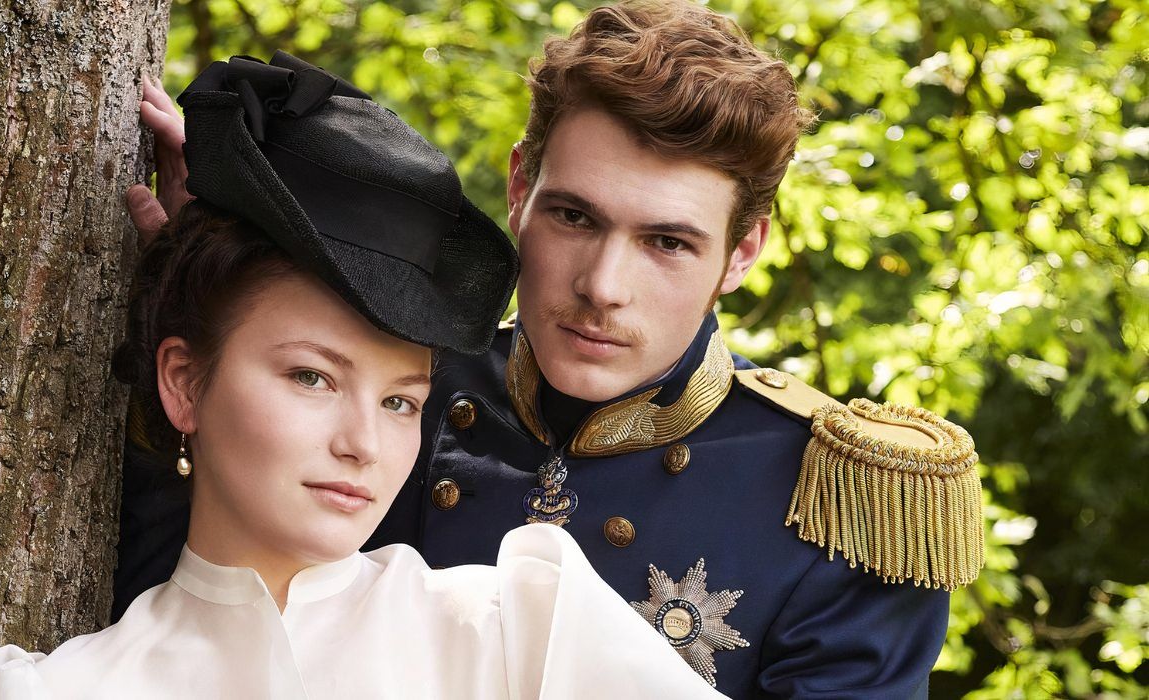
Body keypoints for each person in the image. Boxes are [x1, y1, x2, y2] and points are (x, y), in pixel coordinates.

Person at [119, 2, 985, 697]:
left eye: (668, 243)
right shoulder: (391, 394)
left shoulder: (842, 501)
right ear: (520, 187)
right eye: (575, 216)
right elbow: (174, 617)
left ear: (744, 251)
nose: (604, 285)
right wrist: (198, 293)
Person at [0, 53, 724, 699]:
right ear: (183, 381)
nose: (364, 444)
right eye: (312, 379)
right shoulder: (51, 691)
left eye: (399, 401)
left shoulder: (517, 629)